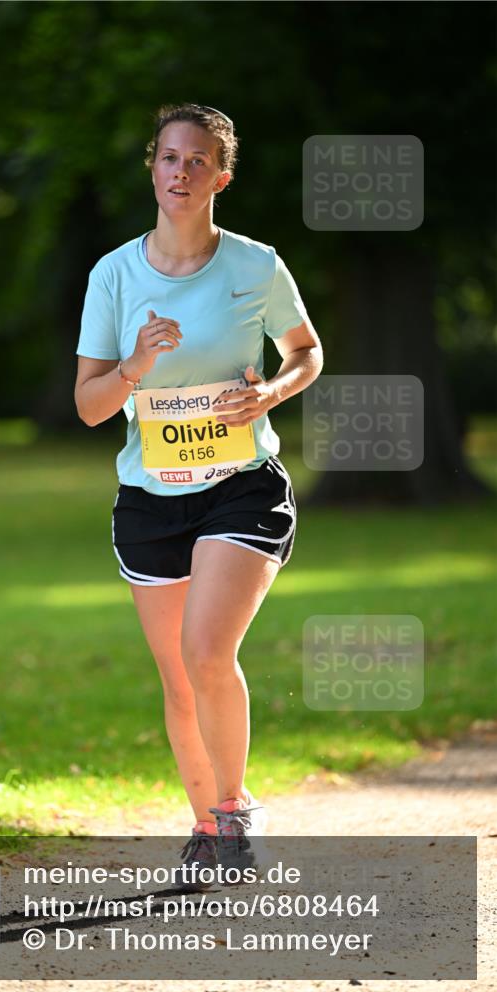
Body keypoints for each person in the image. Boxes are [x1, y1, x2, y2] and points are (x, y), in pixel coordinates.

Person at [74, 102, 323, 887]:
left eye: (196, 161)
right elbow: (90, 405)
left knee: (206, 650)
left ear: (221, 176)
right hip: (149, 499)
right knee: (178, 676)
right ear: (152, 167)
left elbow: (305, 351)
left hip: (240, 486)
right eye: (168, 158)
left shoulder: (254, 265)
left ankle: (233, 814)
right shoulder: (114, 274)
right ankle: (205, 830)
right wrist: (135, 367)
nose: (179, 172)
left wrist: (270, 394)